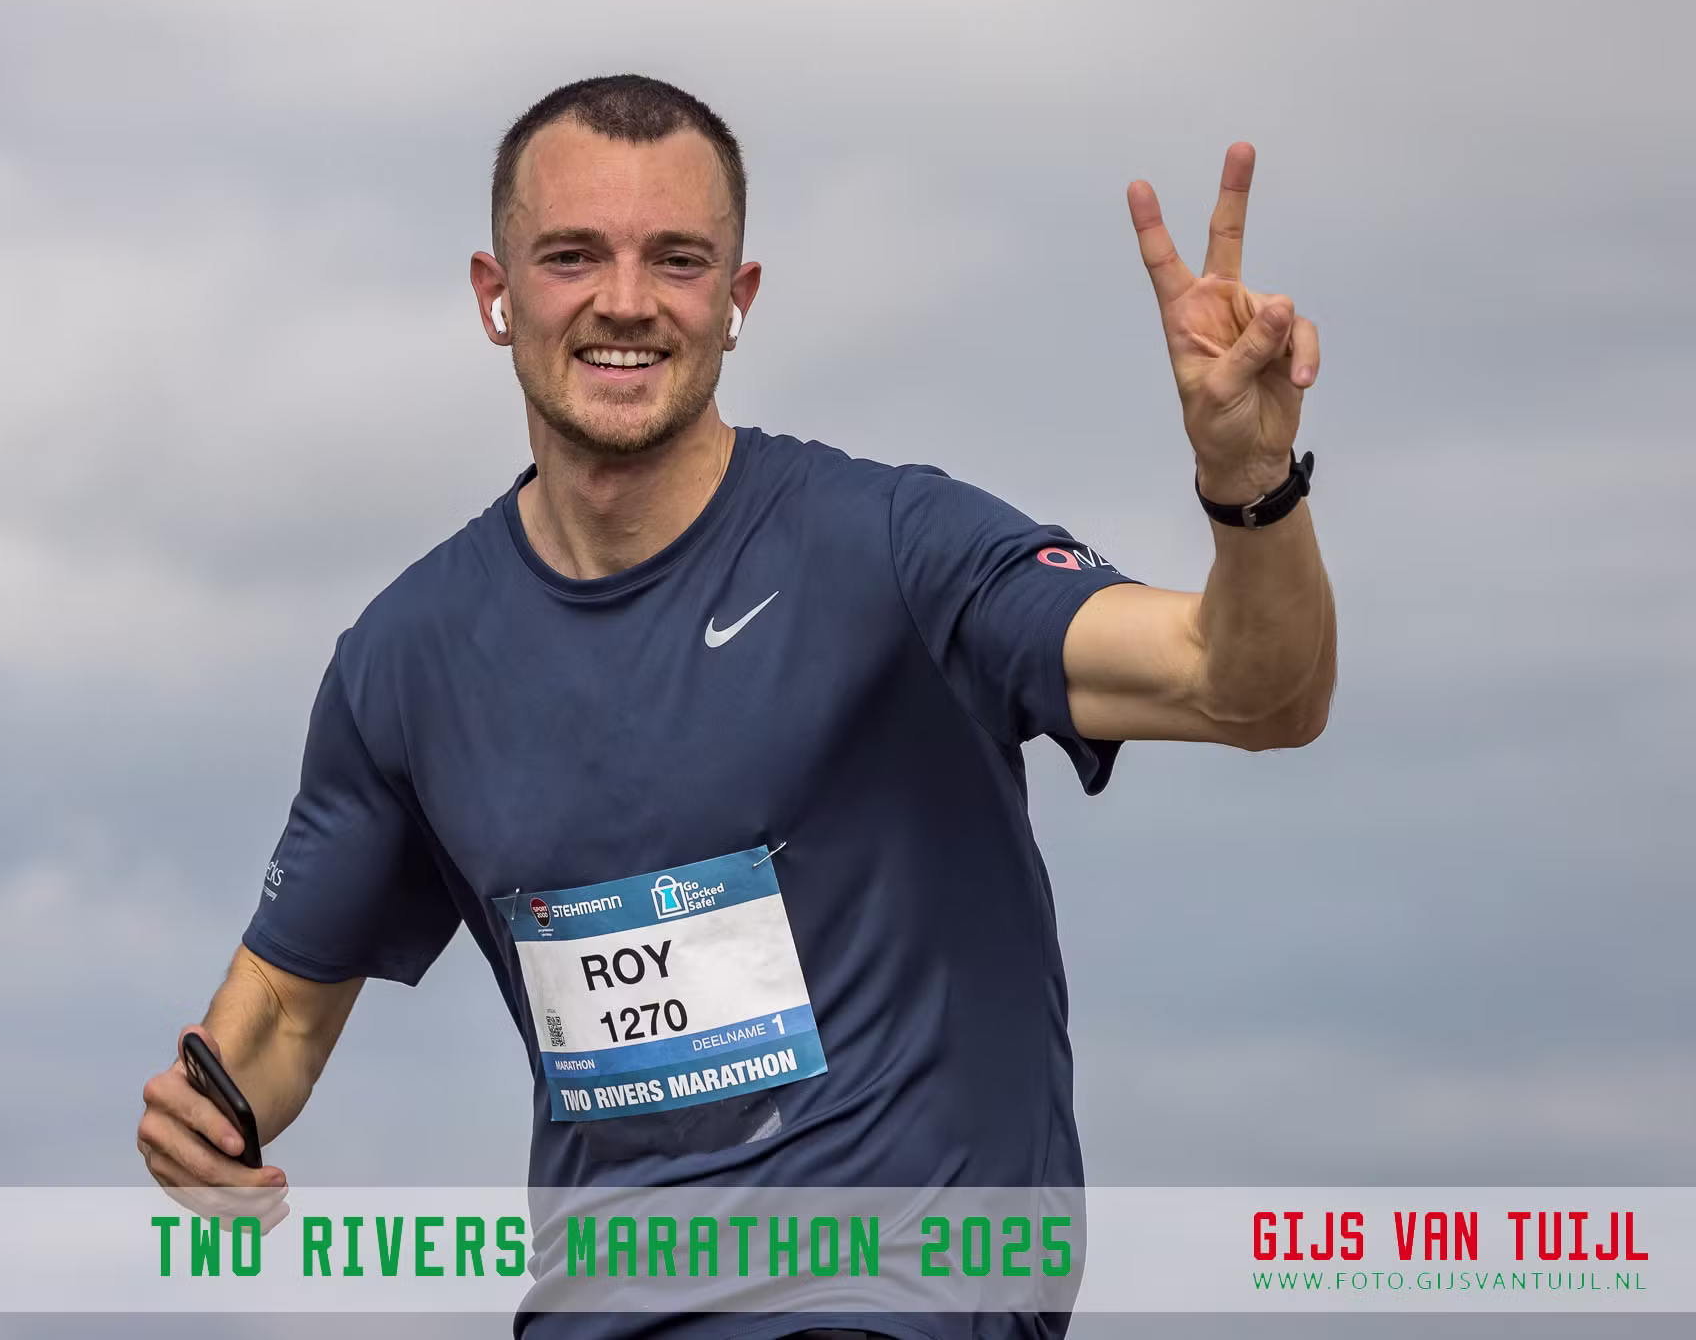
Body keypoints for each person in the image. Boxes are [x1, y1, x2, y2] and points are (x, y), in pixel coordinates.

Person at [136, 74, 1335, 1339]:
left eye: (677, 259)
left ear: (736, 299)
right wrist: (207, 1122)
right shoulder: (407, 658)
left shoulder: (893, 550)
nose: (625, 300)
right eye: (570, 256)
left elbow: (1249, 689)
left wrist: (1249, 482)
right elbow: (279, 1012)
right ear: (496, 294)